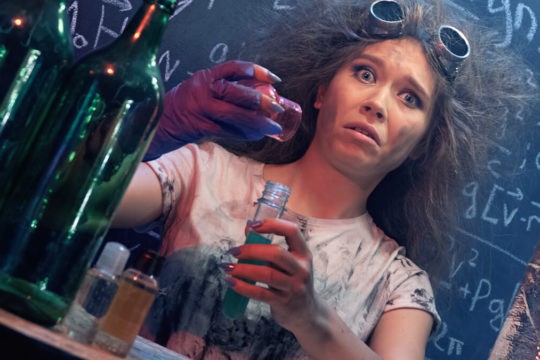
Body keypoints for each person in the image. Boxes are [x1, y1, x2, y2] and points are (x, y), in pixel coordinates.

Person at [111, 0, 534, 358]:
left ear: (424, 143)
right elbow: (64, 199)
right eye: (365, 74)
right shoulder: (204, 170)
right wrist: (153, 128)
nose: (377, 104)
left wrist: (310, 316)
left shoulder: (397, 284)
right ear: (320, 92)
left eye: (410, 98)